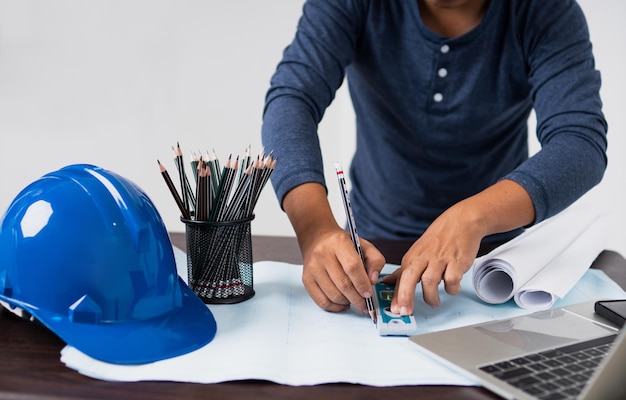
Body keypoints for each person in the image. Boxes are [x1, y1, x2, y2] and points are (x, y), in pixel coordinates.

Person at [260, 0, 607, 318]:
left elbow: (579, 141)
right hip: (374, 248)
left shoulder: (545, 10)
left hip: (498, 259)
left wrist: (473, 218)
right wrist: (315, 229)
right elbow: (293, 99)